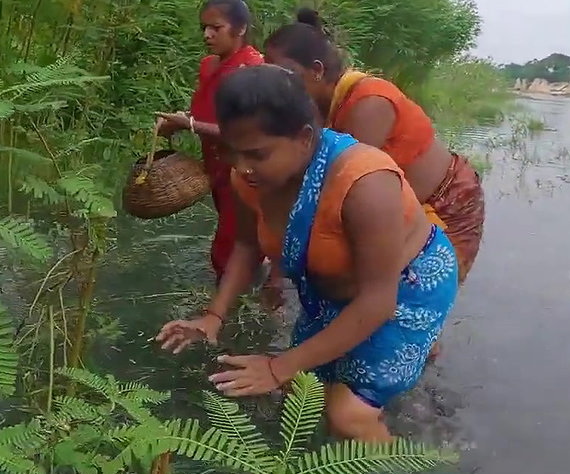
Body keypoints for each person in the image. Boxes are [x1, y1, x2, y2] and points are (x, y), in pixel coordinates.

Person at [156, 65, 459, 442]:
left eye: (257, 154)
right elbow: (248, 246)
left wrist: (278, 366)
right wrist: (213, 317)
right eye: (232, 152)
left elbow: (377, 303)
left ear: (304, 138)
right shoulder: (249, 178)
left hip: (405, 286)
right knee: (304, 396)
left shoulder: (366, 183)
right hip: (334, 285)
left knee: (346, 418)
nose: (242, 167)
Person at [263, 9, 486, 288]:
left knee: (420, 297)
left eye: (285, 73)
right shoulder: (316, 106)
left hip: (448, 202)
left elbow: (340, 189)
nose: (275, 84)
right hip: (402, 206)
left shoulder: (369, 102)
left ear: (317, 71)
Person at [154, 0, 266, 283]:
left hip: (244, 169)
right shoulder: (209, 66)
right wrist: (182, 120)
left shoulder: (251, 69)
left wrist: (186, 125)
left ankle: (232, 310)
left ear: (240, 29)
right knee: (235, 238)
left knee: (232, 247)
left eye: (216, 28)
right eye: (204, 28)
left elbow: (246, 134)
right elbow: (209, 114)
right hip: (216, 163)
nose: (207, 35)